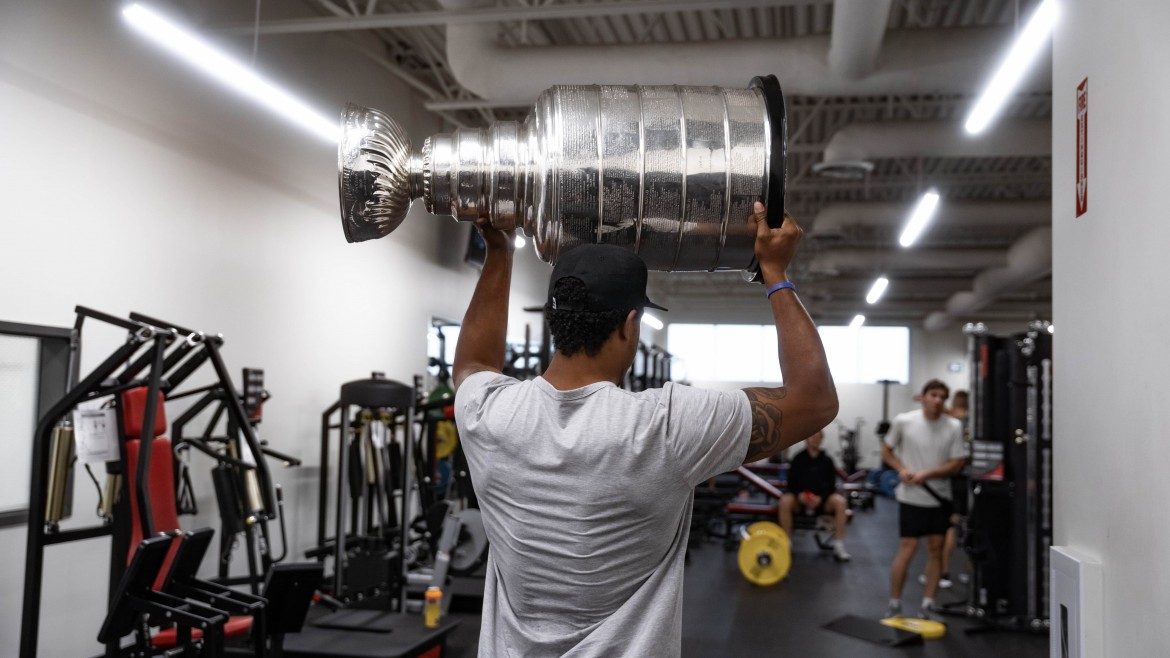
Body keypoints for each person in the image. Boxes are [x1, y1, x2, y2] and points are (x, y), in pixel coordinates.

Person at [452, 203, 838, 657]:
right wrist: (776, 272)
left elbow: (473, 363)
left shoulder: (488, 413)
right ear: (630, 326)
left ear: (555, 323)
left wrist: (499, 253)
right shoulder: (667, 425)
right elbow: (815, 401)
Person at [881, 379, 965, 621]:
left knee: (936, 550)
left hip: (939, 498)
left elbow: (957, 462)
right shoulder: (904, 421)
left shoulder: (954, 426)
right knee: (907, 548)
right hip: (910, 498)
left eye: (942, 397)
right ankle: (894, 604)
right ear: (924, 396)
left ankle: (928, 605)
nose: (937, 400)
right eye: (933, 395)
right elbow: (887, 450)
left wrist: (929, 473)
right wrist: (901, 468)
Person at [778, 429, 851, 562]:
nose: (815, 440)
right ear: (807, 439)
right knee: (785, 501)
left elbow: (831, 485)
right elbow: (791, 484)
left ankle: (839, 545)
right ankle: (786, 543)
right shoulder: (798, 459)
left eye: (818, 437)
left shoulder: (827, 461)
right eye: (812, 437)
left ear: (821, 439)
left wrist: (820, 498)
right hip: (800, 500)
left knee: (840, 502)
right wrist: (799, 495)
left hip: (821, 501)